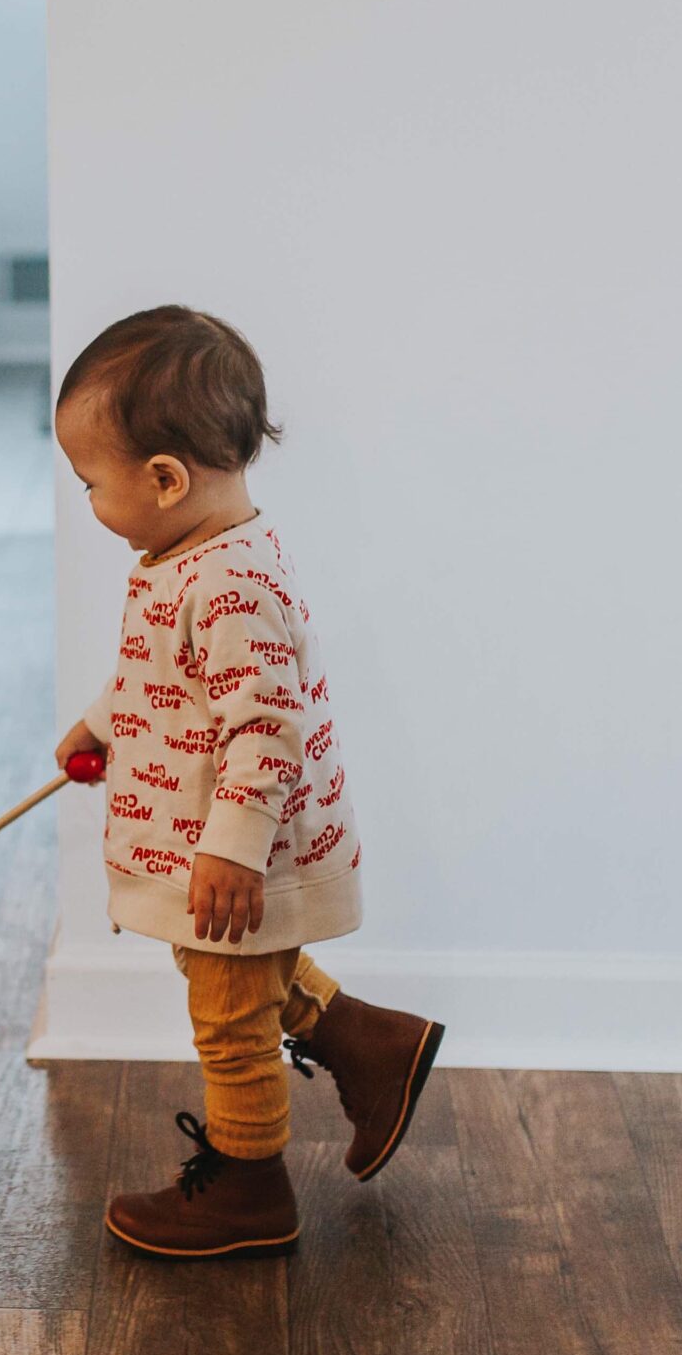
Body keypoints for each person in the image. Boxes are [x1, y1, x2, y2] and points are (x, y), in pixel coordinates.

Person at [54, 305, 445, 1257]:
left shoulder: (232, 585)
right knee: (234, 972)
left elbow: (266, 725)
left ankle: (249, 1185)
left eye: (90, 484)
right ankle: (369, 1043)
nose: (90, 506)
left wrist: (231, 848)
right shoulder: (186, 557)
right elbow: (174, 680)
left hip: (238, 850)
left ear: (163, 478)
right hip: (207, 841)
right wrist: (106, 723)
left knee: (229, 1018)